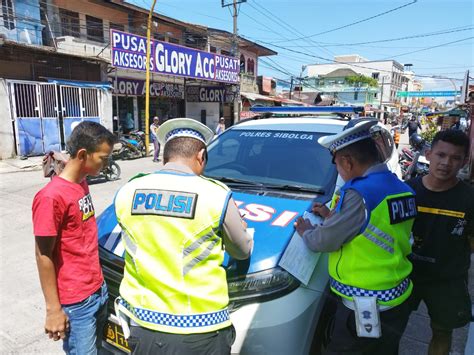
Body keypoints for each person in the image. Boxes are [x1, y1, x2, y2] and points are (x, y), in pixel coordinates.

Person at [114, 118, 254, 354]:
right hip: (199, 328)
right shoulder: (215, 195)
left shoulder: (128, 190)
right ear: (200, 156)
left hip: (141, 323)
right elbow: (241, 251)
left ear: (167, 155)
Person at [294, 120, 416, 354]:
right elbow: (375, 228)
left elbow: (325, 241)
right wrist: (332, 215)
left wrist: (306, 231)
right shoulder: (402, 188)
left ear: (347, 162)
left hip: (366, 304)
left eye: (337, 164)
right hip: (397, 296)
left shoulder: (358, 192)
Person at [32, 121, 117, 354]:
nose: (107, 163)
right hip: (77, 303)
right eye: (103, 158)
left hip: (98, 290)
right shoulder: (50, 197)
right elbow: (43, 255)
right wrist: (53, 310)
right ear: (83, 154)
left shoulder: (81, 183)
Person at [406, 129, 473, 355]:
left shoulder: (469, 199)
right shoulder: (408, 190)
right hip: (406, 273)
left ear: (465, 161)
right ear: (428, 154)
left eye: (455, 158)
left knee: (442, 332)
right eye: (441, 155)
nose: (446, 163)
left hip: (448, 279)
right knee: (392, 327)